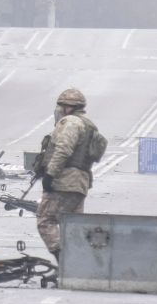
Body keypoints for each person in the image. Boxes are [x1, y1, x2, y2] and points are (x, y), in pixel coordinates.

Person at [34, 87, 105, 259]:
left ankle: (63, 259)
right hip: (79, 182)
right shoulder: (87, 125)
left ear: (67, 107)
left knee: (45, 220)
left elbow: (63, 150)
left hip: (65, 181)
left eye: (61, 106)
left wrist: (50, 175)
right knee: (73, 225)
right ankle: (79, 262)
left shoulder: (71, 123)